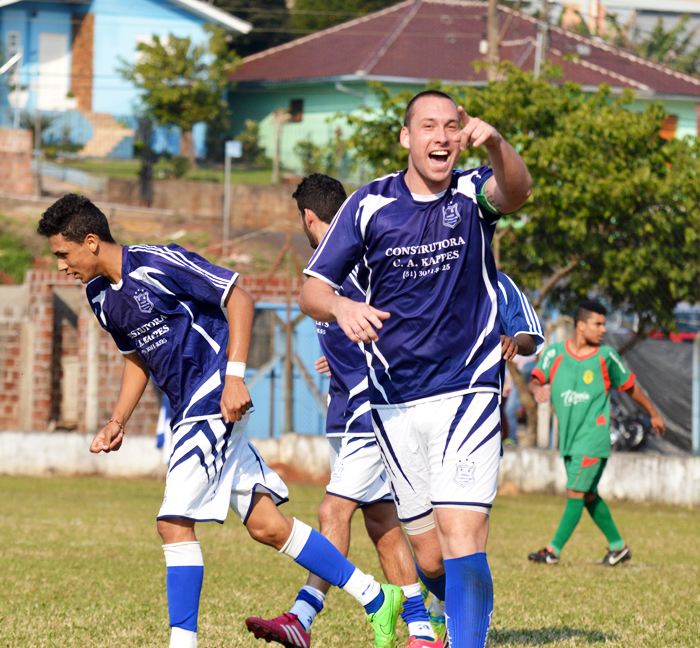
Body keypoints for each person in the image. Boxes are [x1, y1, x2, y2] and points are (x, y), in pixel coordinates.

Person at [36, 194, 404, 648]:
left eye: (63, 254)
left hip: (212, 396)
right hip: (187, 408)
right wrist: (118, 419)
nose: (61, 266)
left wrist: (234, 377)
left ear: (90, 242)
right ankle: (373, 596)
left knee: (173, 522)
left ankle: (182, 644)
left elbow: (240, 299)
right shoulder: (99, 296)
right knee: (266, 525)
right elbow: (137, 358)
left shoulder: (157, 262)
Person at [298, 90, 532, 647]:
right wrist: (342, 306)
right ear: (407, 137)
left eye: (452, 126)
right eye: (429, 126)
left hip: (468, 387)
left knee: (462, 529)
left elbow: (517, 191)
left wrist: (497, 142)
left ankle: (467, 640)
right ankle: (460, 616)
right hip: (393, 398)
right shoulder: (367, 205)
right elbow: (312, 289)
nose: (443, 137)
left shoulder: (474, 193)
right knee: (428, 551)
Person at [247, 174, 443, 648]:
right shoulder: (344, 260)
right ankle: (420, 628)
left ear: (308, 217)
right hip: (350, 406)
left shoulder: (344, 261)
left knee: (332, 509)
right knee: (381, 522)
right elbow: (355, 321)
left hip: (369, 407)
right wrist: (337, 353)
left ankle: (303, 616)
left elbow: (390, 317)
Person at [527, 300, 665, 565]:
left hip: (593, 436)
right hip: (568, 438)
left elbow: (630, 386)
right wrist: (536, 390)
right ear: (581, 325)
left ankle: (552, 551)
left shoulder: (606, 356)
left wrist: (653, 413)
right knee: (587, 494)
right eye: (598, 324)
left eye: (604, 324)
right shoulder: (554, 353)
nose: (603, 329)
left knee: (575, 492)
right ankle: (618, 547)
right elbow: (535, 380)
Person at [497, 272, 544, 445]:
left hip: (525, 371)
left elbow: (533, 346)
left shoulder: (501, 285)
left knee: (510, 409)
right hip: (514, 379)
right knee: (508, 409)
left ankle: (513, 440)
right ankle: (512, 437)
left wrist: (516, 342)